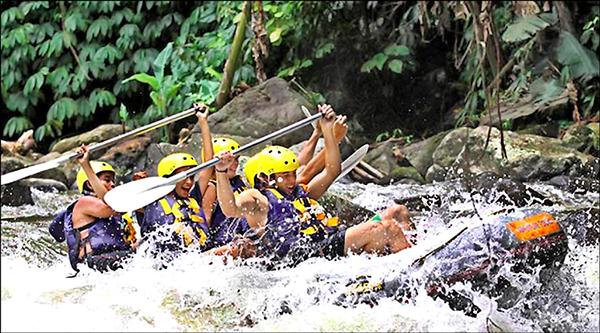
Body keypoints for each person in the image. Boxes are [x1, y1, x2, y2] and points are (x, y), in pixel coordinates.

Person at [208, 104, 413, 266]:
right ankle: (413, 266)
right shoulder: (258, 200)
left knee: (397, 213)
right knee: (384, 228)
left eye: (292, 174)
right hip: (305, 257)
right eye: (285, 176)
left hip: (326, 245)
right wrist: (221, 172)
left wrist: (327, 132)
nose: (292, 180)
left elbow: (332, 171)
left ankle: (410, 253)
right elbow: (230, 208)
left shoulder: (300, 194)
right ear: (265, 178)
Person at [139, 104, 213, 262]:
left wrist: (203, 122)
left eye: (191, 177)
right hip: (166, 265)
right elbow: (115, 205)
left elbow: (209, 165)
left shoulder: (193, 197)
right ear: (168, 178)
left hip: (193, 262)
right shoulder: (151, 200)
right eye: (183, 177)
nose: (189, 182)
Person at [49, 145, 135, 275]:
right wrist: (86, 165)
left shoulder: (117, 212)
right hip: (94, 263)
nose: (112, 184)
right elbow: (111, 206)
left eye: (113, 181)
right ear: (90, 183)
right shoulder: (84, 203)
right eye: (107, 180)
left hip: (113, 259)